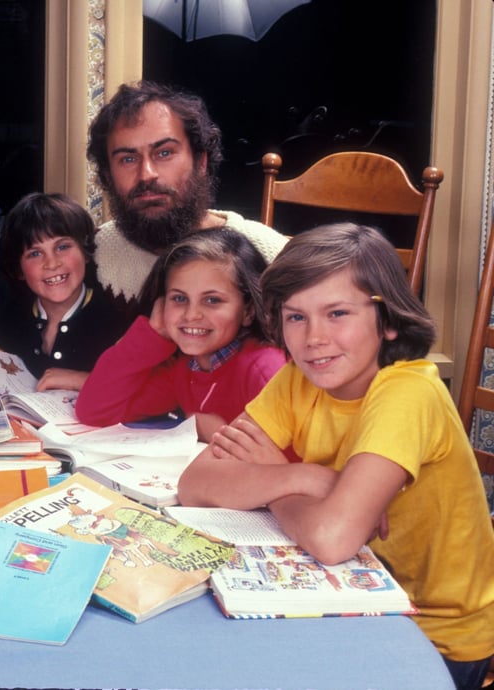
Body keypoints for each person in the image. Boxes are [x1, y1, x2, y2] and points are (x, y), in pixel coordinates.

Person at [176, 224, 494, 690]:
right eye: (296, 317)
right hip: (350, 601)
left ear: (387, 321)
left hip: (435, 637)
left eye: (337, 313)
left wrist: (278, 477)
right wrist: (311, 478)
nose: (313, 339)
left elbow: (331, 538)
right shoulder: (298, 378)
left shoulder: (409, 391)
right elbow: (196, 484)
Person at [86, 80, 288, 318]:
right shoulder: (88, 256)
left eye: (164, 153)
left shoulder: (269, 254)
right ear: (108, 175)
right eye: (128, 159)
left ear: (201, 161)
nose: (146, 174)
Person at [75, 228, 285, 441]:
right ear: (161, 302)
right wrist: (153, 333)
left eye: (212, 300)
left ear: (248, 311)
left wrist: (223, 437)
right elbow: (95, 411)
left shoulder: (268, 371)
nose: (191, 315)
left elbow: (299, 467)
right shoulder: (185, 369)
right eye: (179, 298)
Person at [0, 192, 130, 391]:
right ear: (19, 269)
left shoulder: (120, 324)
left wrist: (85, 380)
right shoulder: (5, 327)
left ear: (85, 252)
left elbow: (145, 393)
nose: (51, 263)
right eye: (35, 253)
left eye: (62, 247)